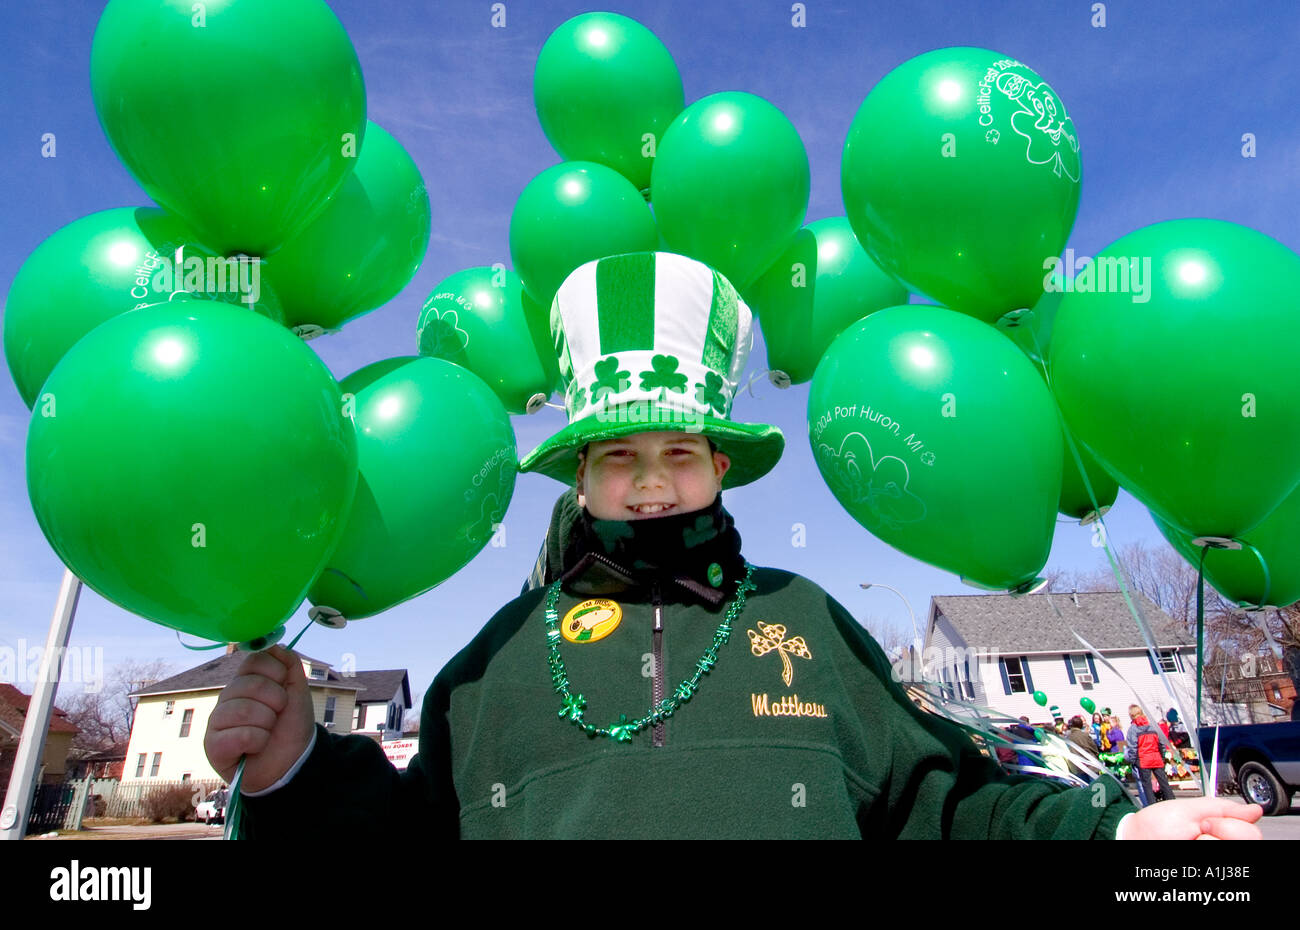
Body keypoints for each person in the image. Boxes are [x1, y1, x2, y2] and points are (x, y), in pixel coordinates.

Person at [204, 251, 1262, 840]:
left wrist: (1118, 838)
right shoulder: (495, 665)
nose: (652, 480)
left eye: (681, 449)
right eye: (617, 455)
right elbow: (406, 853)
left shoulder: (802, 619)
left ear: (721, 464)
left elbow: (950, 807)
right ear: (579, 473)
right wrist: (296, 768)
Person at [1126, 705, 1177, 806]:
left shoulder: (1133, 729)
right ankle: (1172, 803)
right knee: (1164, 783)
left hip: (1143, 760)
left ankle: (1152, 806)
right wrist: (1161, 757)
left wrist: (1133, 761)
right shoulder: (1153, 726)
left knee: (1147, 786)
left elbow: (1132, 747)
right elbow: (1161, 743)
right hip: (1156, 758)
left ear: (1131, 715)